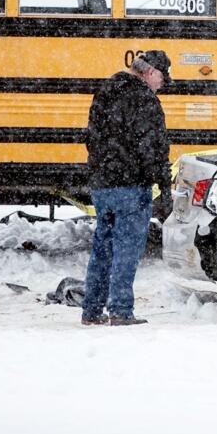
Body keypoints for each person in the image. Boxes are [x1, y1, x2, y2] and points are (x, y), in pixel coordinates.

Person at [81, 50, 171, 327]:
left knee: (103, 248)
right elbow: (151, 146)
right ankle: (120, 310)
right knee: (127, 249)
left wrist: (101, 169)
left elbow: (91, 137)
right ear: (150, 72)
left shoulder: (105, 90)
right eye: (163, 78)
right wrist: (163, 182)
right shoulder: (144, 99)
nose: (163, 84)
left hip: (102, 185)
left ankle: (92, 310)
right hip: (130, 185)